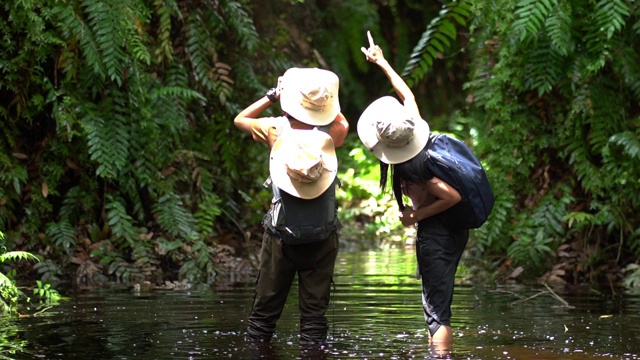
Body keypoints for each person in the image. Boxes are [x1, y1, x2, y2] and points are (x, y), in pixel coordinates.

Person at [357, 31, 468, 346]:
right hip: (454, 232)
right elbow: (407, 95)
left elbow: (451, 195)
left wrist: (415, 217)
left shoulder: (413, 164)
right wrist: (382, 62)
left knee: (437, 315)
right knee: (438, 307)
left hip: (438, 235)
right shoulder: (416, 136)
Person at [234, 67, 349, 344]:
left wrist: (274, 95)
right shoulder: (334, 133)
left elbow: (240, 119)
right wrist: (327, 99)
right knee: (313, 320)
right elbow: (340, 119)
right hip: (323, 238)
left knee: (262, 320)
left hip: (280, 238)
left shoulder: (276, 129)